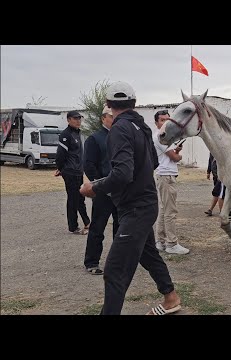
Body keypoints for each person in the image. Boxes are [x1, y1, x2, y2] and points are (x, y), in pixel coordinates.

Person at [80, 81, 181, 315]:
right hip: (144, 204)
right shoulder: (142, 127)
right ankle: (171, 297)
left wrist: (95, 187)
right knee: (147, 253)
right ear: (134, 103)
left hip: (135, 208)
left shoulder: (119, 129)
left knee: (115, 270)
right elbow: (153, 163)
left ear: (107, 104)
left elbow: (122, 173)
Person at [82, 105, 119, 275]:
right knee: (98, 227)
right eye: (111, 116)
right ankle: (92, 262)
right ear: (103, 118)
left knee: (120, 228)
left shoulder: (120, 137)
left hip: (120, 191)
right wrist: (99, 185)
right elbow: (89, 165)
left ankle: (119, 261)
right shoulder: (95, 138)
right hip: (103, 191)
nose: (114, 119)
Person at [152, 110, 190, 255]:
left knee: (164, 209)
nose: (165, 122)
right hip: (166, 174)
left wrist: (177, 151)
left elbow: (173, 154)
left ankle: (160, 241)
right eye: (162, 120)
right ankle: (171, 243)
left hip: (165, 174)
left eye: (168, 119)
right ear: (156, 123)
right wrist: (177, 155)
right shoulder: (159, 137)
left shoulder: (164, 137)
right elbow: (174, 157)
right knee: (170, 211)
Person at [55, 110, 90, 235]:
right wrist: (61, 168)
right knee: (73, 199)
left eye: (79, 118)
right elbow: (60, 155)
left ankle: (87, 222)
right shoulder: (66, 135)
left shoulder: (77, 133)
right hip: (70, 172)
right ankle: (73, 226)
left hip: (78, 171)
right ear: (69, 120)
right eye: (75, 118)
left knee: (80, 197)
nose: (78, 121)